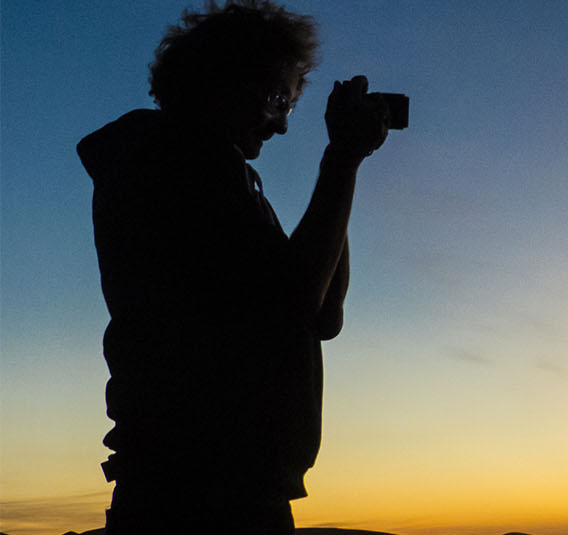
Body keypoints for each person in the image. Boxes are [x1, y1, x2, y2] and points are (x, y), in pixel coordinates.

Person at [76, 1, 388, 532]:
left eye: (289, 106)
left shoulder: (225, 179)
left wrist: (342, 162)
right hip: (198, 496)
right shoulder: (170, 164)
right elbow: (294, 302)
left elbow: (323, 315)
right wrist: (341, 161)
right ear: (226, 82)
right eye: (278, 100)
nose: (283, 125)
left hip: (241, 487)